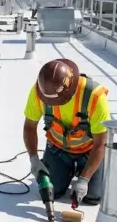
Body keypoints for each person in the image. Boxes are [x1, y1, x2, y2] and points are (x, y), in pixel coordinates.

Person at [22, 58, 111, 205]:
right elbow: (29, 127)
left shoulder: (95, 97)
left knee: (93, 197)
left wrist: (84, 180)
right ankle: (65, 170)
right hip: (58, 149)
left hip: (89, 152)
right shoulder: (39, 92)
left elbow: (100, 144)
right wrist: (34, 159)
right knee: (53, 192)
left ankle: (84, 171)